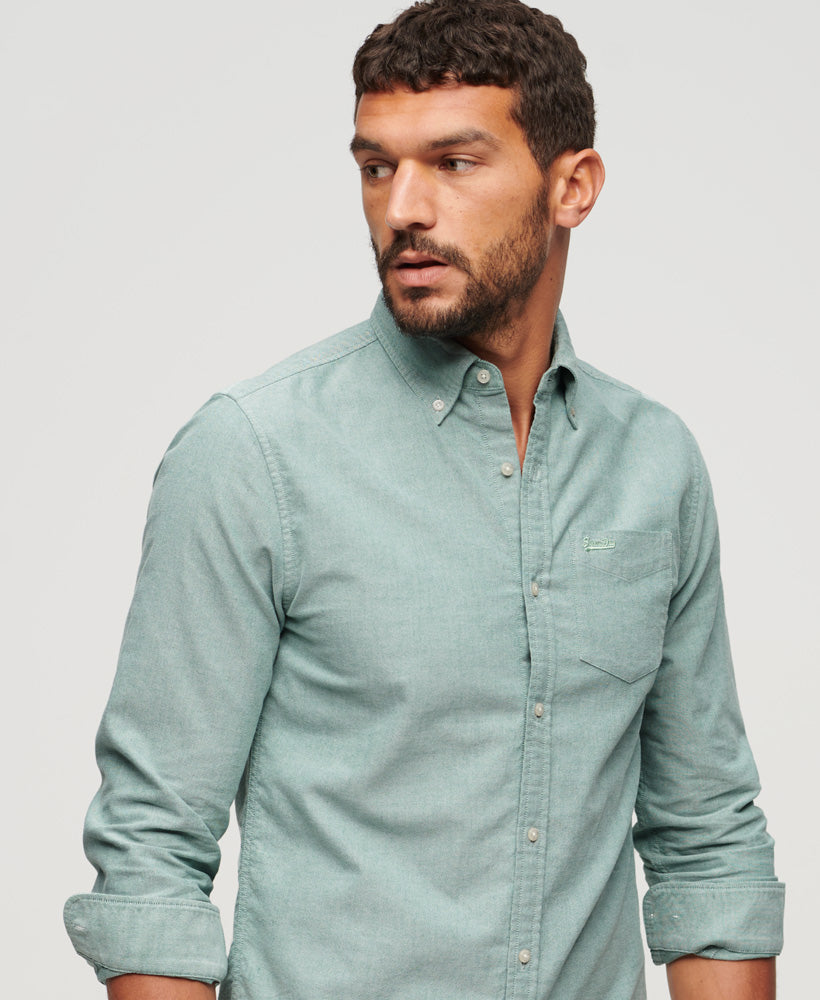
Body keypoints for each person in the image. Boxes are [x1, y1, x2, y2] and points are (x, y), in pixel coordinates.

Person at [63, 2, 784, 998]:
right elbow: (151, 852)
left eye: (454, 162)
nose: (404, 206)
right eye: (377, 166)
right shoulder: (254, 453)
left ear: (572, 186)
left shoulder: (653, 464)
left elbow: (707, 842)